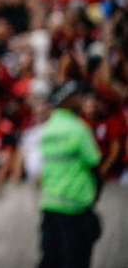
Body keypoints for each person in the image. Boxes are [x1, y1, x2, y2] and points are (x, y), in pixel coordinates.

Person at [38, 81, 102, 268]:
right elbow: (94, 166)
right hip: (76, 209)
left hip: (50, 206)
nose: (82, 100)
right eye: (78, 96)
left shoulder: (47, 129)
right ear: (67, 100)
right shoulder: (78, 129)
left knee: (51, 260)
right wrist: (94, 197)